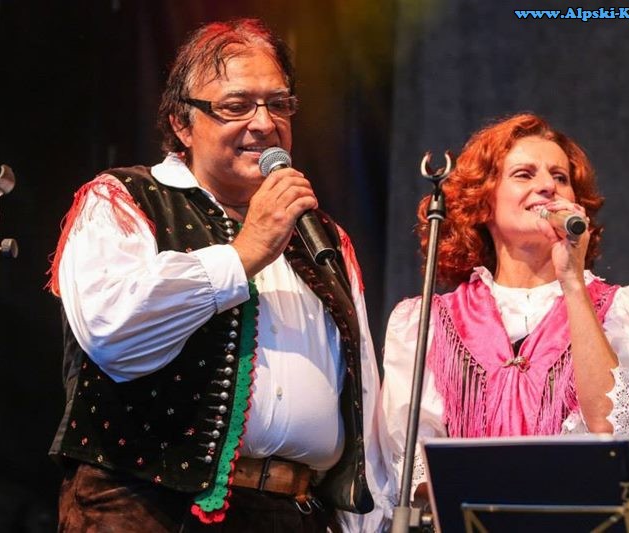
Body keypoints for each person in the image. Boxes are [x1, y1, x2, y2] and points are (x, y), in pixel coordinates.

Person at [46, 18, 387, 532]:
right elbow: (113, 331)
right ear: (183, 124)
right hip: (146, 508)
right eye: (236, 105)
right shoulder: (121, 199)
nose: (264, 123)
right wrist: (247, 251)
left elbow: (364, 399)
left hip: (296, 513)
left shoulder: (323, 238)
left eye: (278, 104)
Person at [379, 113, 629, 507]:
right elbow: (411, 470)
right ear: (483, 202)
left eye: (560, 177)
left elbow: (612, 429)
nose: (547, 186)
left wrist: (572, 281)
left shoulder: (622, 309)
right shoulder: (426, 322)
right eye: (524, 174)